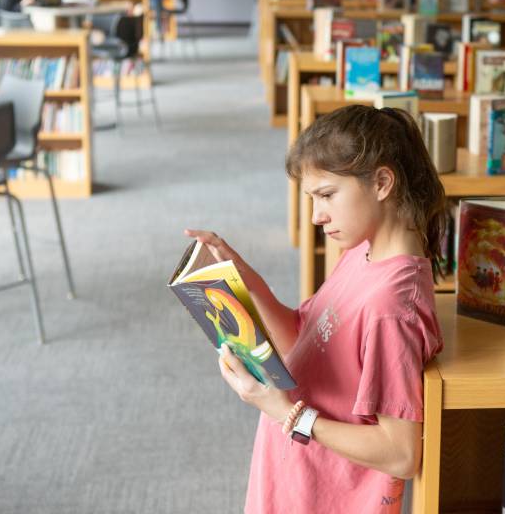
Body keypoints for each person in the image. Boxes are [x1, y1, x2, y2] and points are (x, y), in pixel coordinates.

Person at [186, 105, 446, 514]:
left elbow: (401, 453)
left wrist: (285, 412)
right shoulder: (363, 251)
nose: (316, 216)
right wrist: (245, 279)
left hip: (330, 496)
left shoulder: (391, 307)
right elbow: (303, 336)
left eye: (326, 195)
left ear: (381, 182)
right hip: (295, 482)